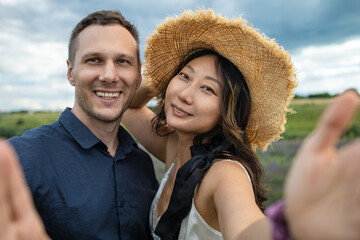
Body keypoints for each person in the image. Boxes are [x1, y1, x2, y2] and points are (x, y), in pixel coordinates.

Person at [121, 9, 360, 239]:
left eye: (208, 89)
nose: (186, 94)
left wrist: (293, 226)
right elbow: (127, 105)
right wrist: (167, 76)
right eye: (185, 76)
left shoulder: (225, 173)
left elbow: (246, 230)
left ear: (228, 111)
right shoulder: (175, 147)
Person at [6, 10, 159, 240]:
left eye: (122, 61)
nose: (109, 75)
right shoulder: (20, 158)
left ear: (138, 77)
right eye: (94, 60)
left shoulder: (142, 164)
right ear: (71, 72)